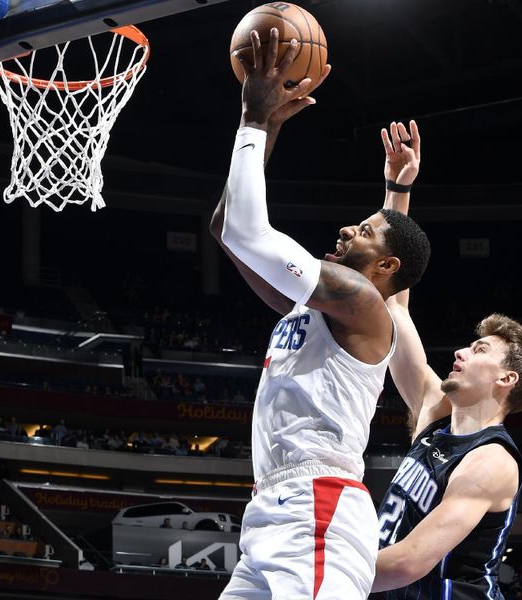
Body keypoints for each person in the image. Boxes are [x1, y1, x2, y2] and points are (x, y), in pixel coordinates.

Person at [211, 29, 431, 600]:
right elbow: (226, 229)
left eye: (362, 231)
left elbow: (245, 230)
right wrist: (272, 125)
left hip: (317, 508)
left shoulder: (360, 301)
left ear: (383, 265)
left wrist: (255, 116)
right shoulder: (316, 305)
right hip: (271, 511)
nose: (344, 230)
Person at [370, 121, 522, 599]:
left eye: (480, 350)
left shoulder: (491, 461)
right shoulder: (434, 412)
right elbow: (391, 304)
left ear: (506, 378)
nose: (460, 351)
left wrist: (315, 563)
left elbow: (410, 561)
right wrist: (398, 190)